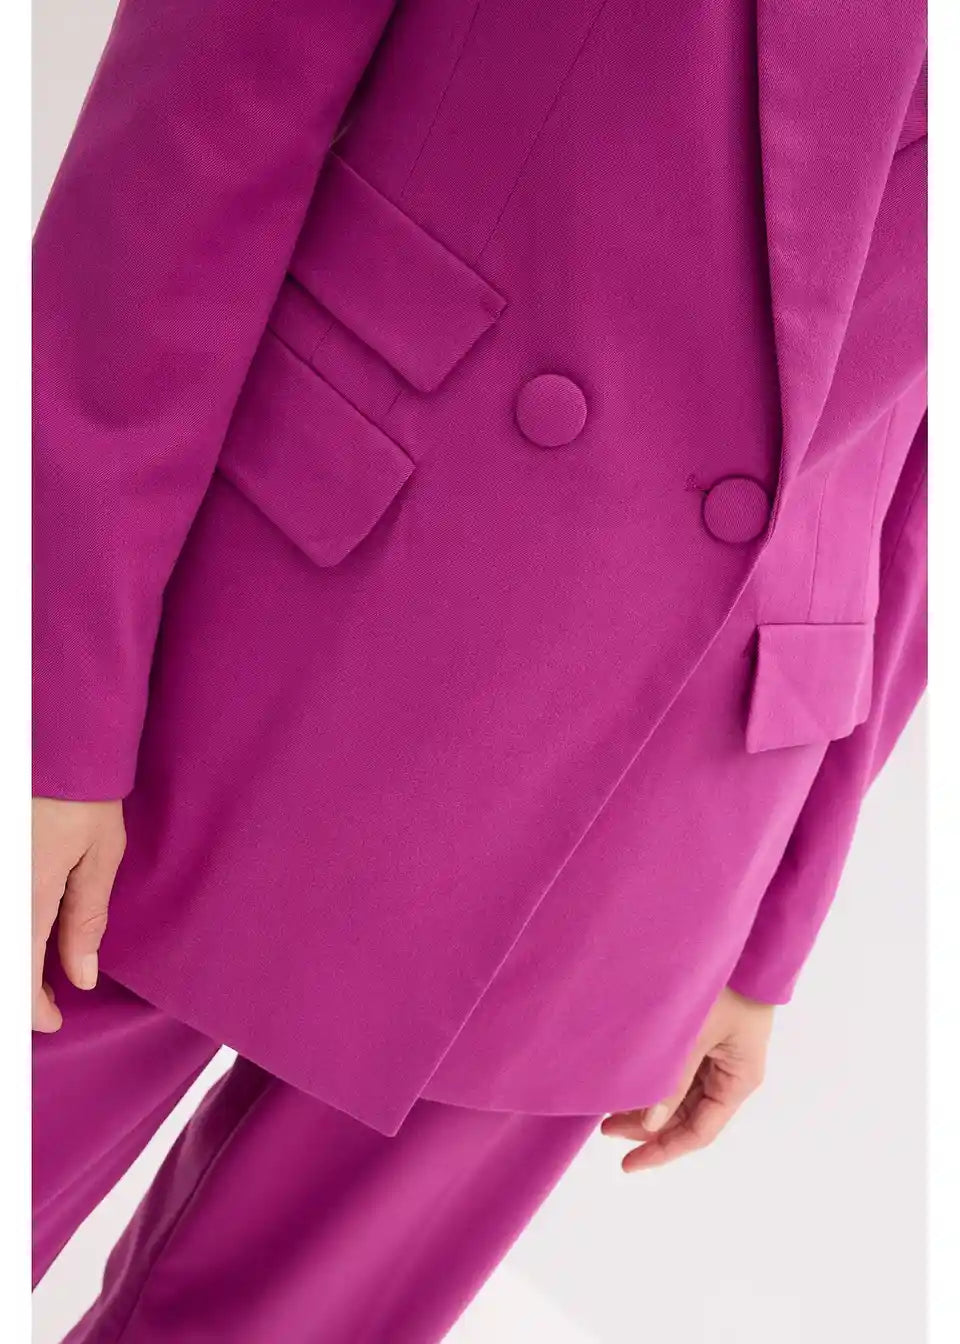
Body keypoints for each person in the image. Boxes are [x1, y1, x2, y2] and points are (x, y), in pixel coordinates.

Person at [32, 2, 927, 1340]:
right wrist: (50, 686)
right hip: (260, 646)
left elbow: (919, 490)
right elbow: (192, 139)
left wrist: (770, 926)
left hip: (667, 808)